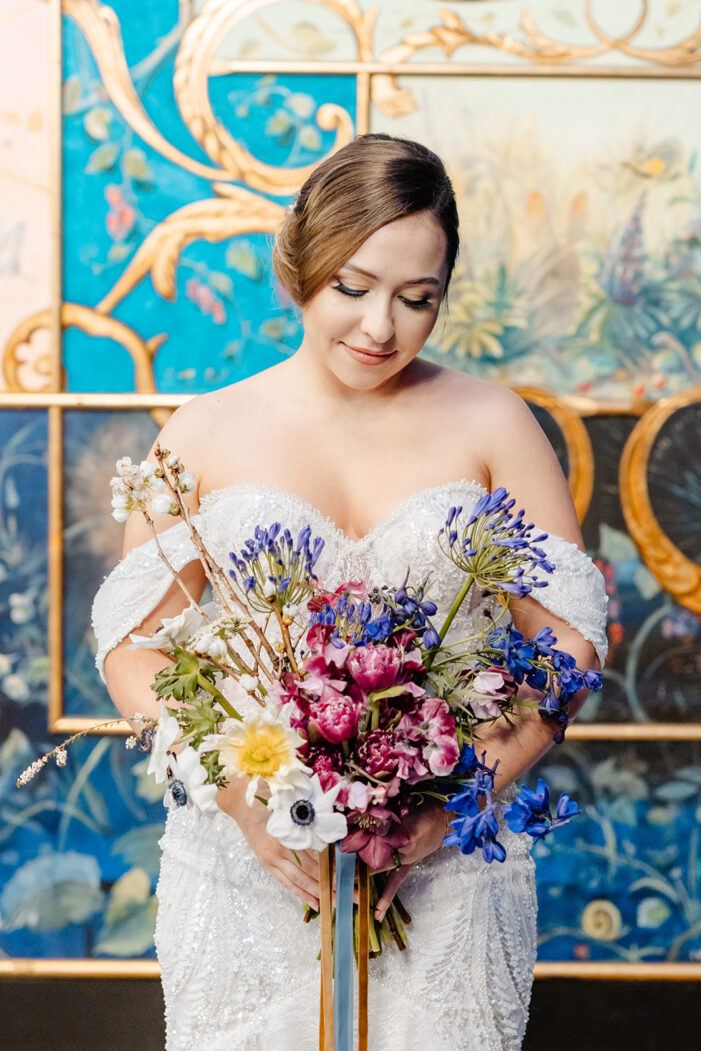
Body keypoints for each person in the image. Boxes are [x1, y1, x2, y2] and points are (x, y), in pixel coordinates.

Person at [93, 133, 608, 1050]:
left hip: (446, 866)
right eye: (352, 287)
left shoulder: (494, 422)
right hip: (249, 859)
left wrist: (452, 800)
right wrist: (238, 796)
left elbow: (570, 639)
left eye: (417, 299)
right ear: (301, 266)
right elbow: (135, 644)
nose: (380, 328)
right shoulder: (204, 430)